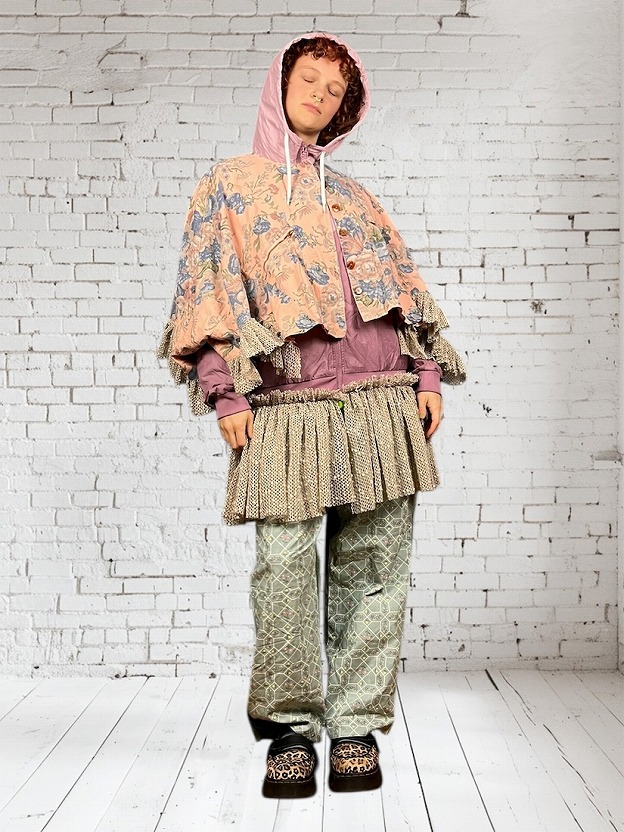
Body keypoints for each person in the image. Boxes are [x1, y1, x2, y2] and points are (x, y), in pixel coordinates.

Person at [157, 31, 466, 799]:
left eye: (336, 90)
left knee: (375, 568)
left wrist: (427, 373)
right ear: (279, 83)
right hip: (286, 409)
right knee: (286, 570)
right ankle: (290, 731)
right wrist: (224, 388)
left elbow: (404, 290)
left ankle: (356, 724)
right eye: (310, 79)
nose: (322, 96)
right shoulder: (230, 186)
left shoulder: (354, 197)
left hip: (382, 403)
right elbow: (205, 287)